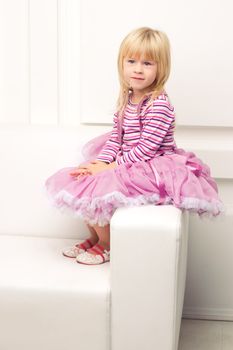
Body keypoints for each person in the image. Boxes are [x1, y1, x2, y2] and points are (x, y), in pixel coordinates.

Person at [45, 27, 223, 265]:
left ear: (161, 67)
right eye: (132, 61)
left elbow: (146, 150)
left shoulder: (158, 105)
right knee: (84, 177)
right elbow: (115, 139)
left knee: (102, 184)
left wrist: (111, 168)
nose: (138, 69)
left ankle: (107, 245)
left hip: (151, 165)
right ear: (122, 64)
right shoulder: (127, 99)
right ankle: (94, 237)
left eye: (148, 63)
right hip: (126, 159)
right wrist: (102, 162)